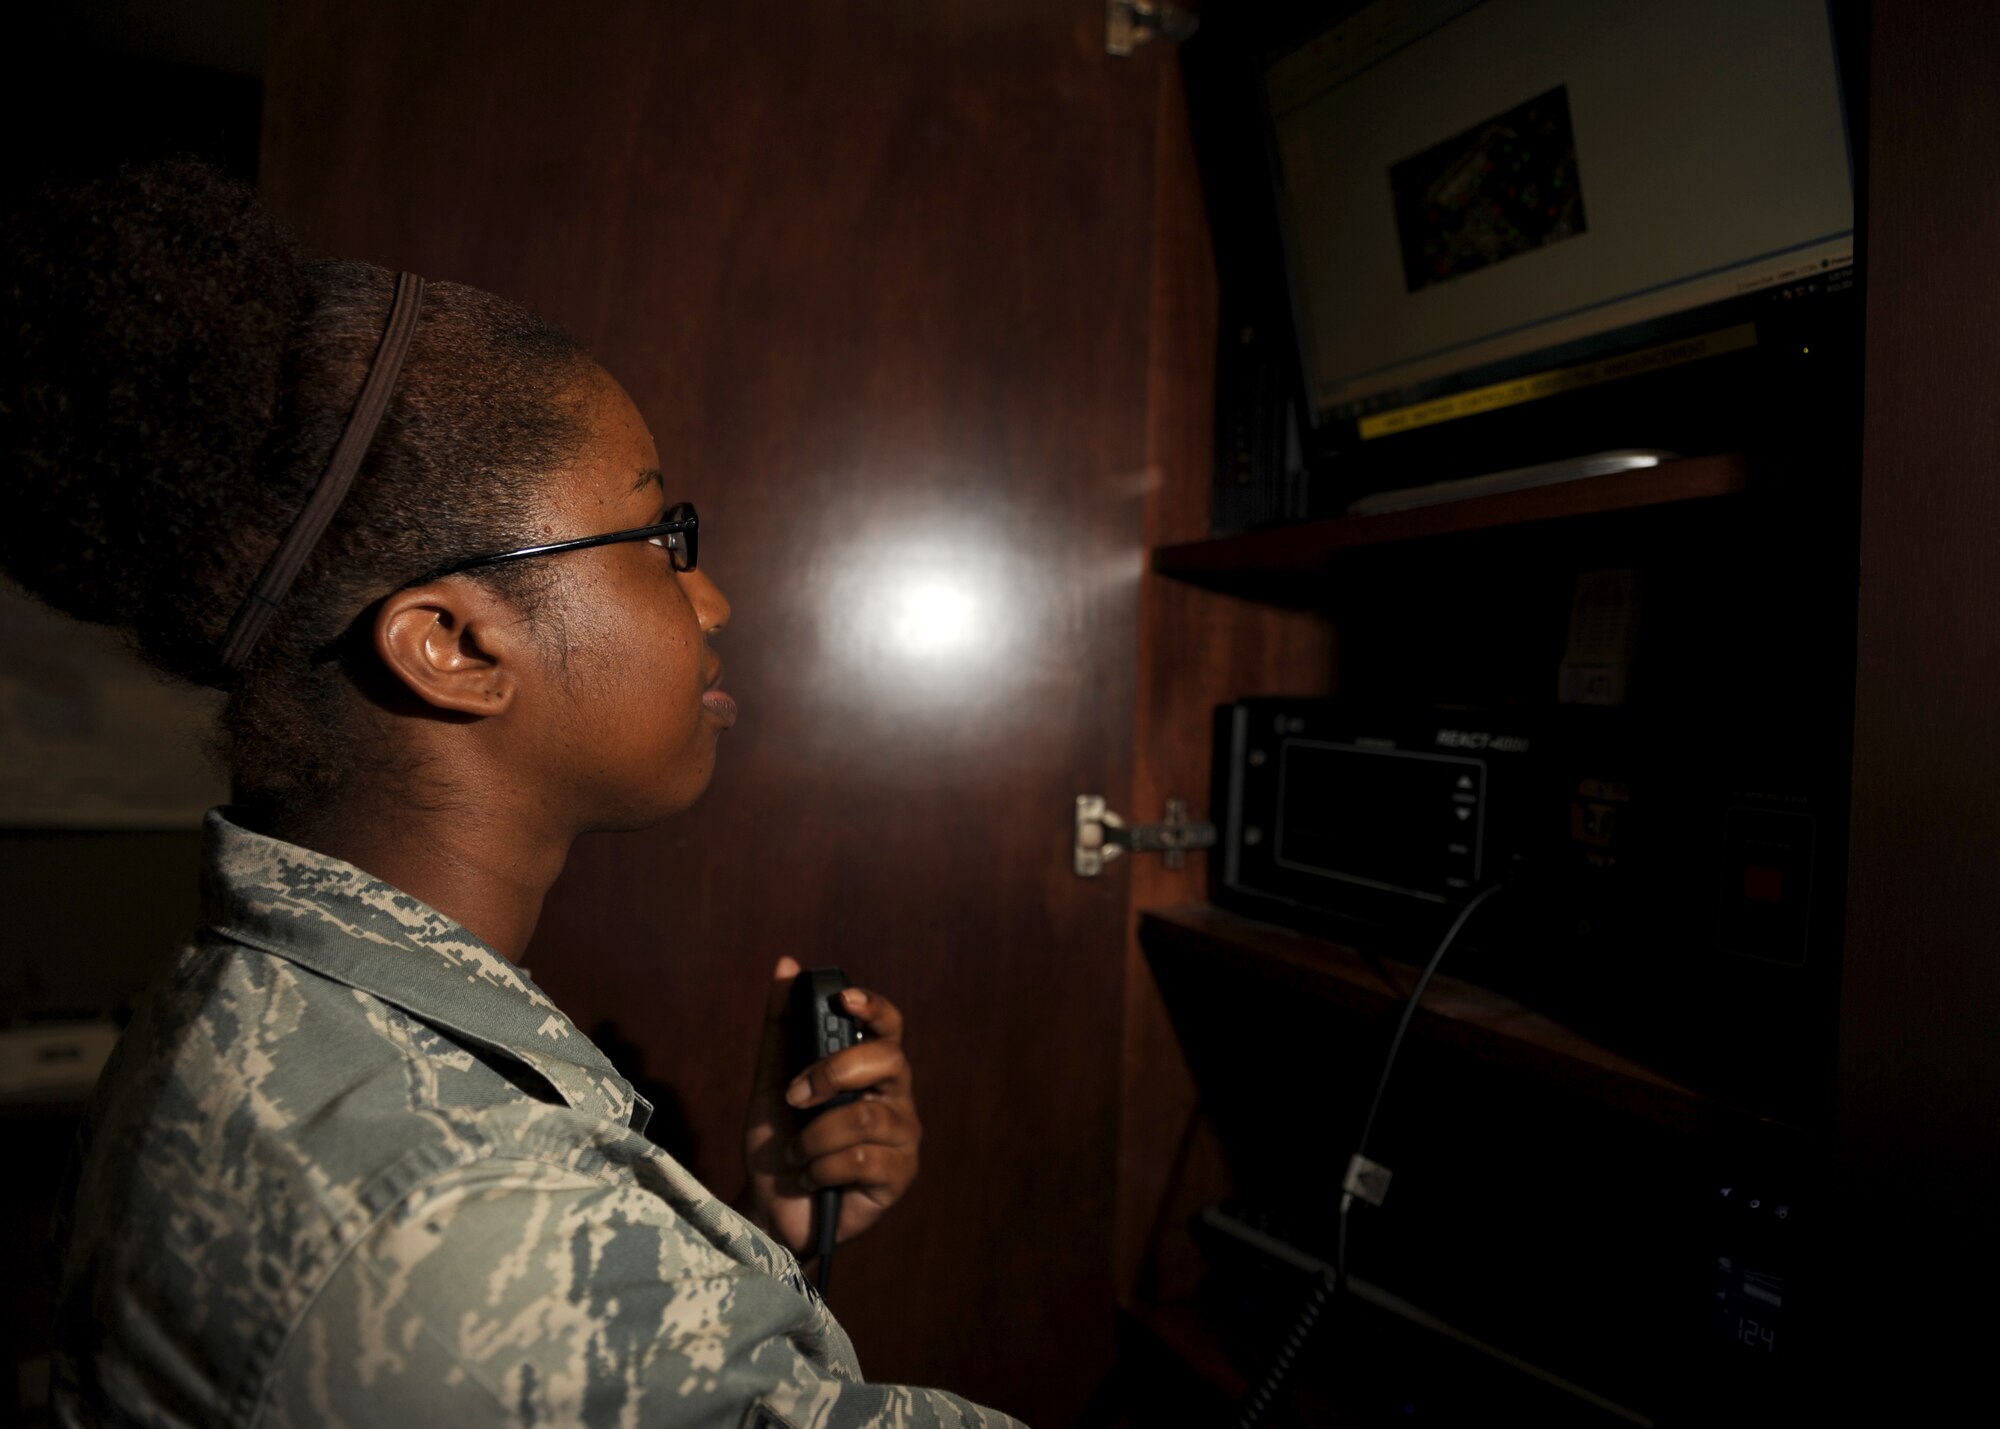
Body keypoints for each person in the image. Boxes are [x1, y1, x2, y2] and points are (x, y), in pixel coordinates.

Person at [3, 159, 1023, 1427]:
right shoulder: (462, 1228)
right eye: (656, 538)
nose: (711, 599)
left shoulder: (240, 1009)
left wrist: (741, 1249)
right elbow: (490, 1303)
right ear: (455, 644)